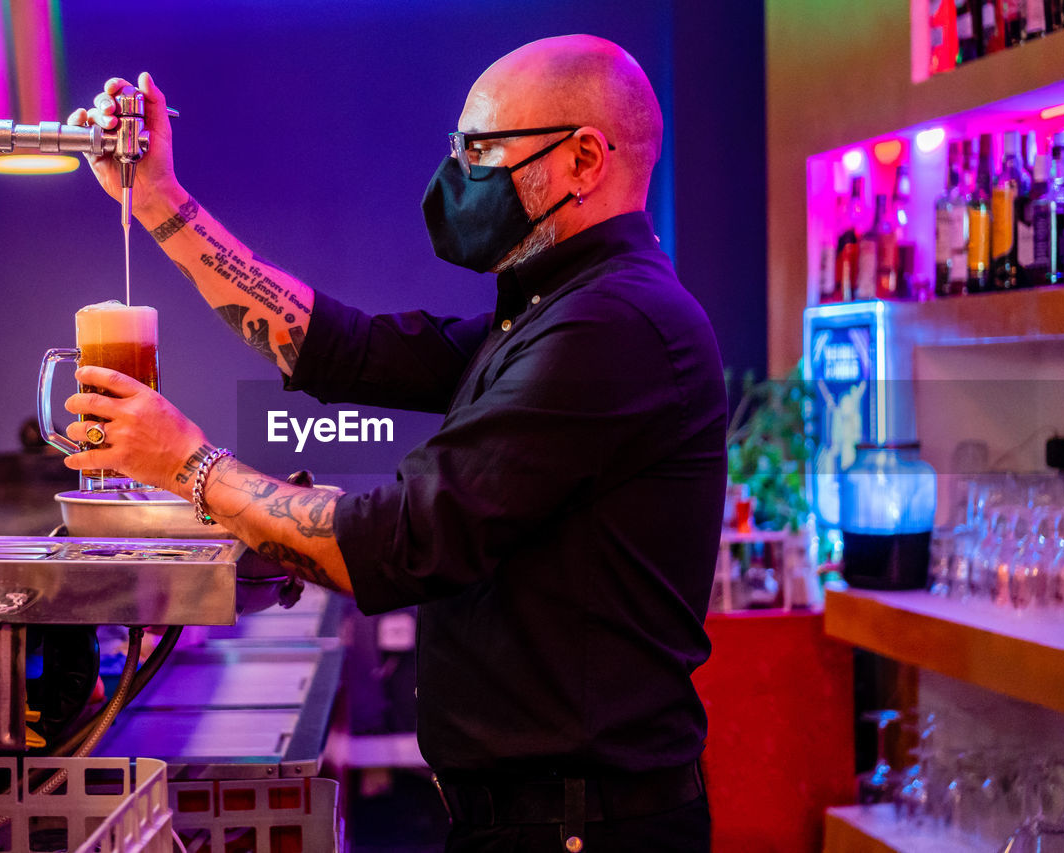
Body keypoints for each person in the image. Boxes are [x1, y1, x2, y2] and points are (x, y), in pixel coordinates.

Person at [65, 33, 726, 852]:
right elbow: (343, 348)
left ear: (585, 158)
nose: (460, 176)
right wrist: (159, 201)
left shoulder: (613, 327)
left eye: (481, 151)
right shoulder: (555, 311)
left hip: (584, 827)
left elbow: (399, 542)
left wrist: (187, 465)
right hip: (542, 817)